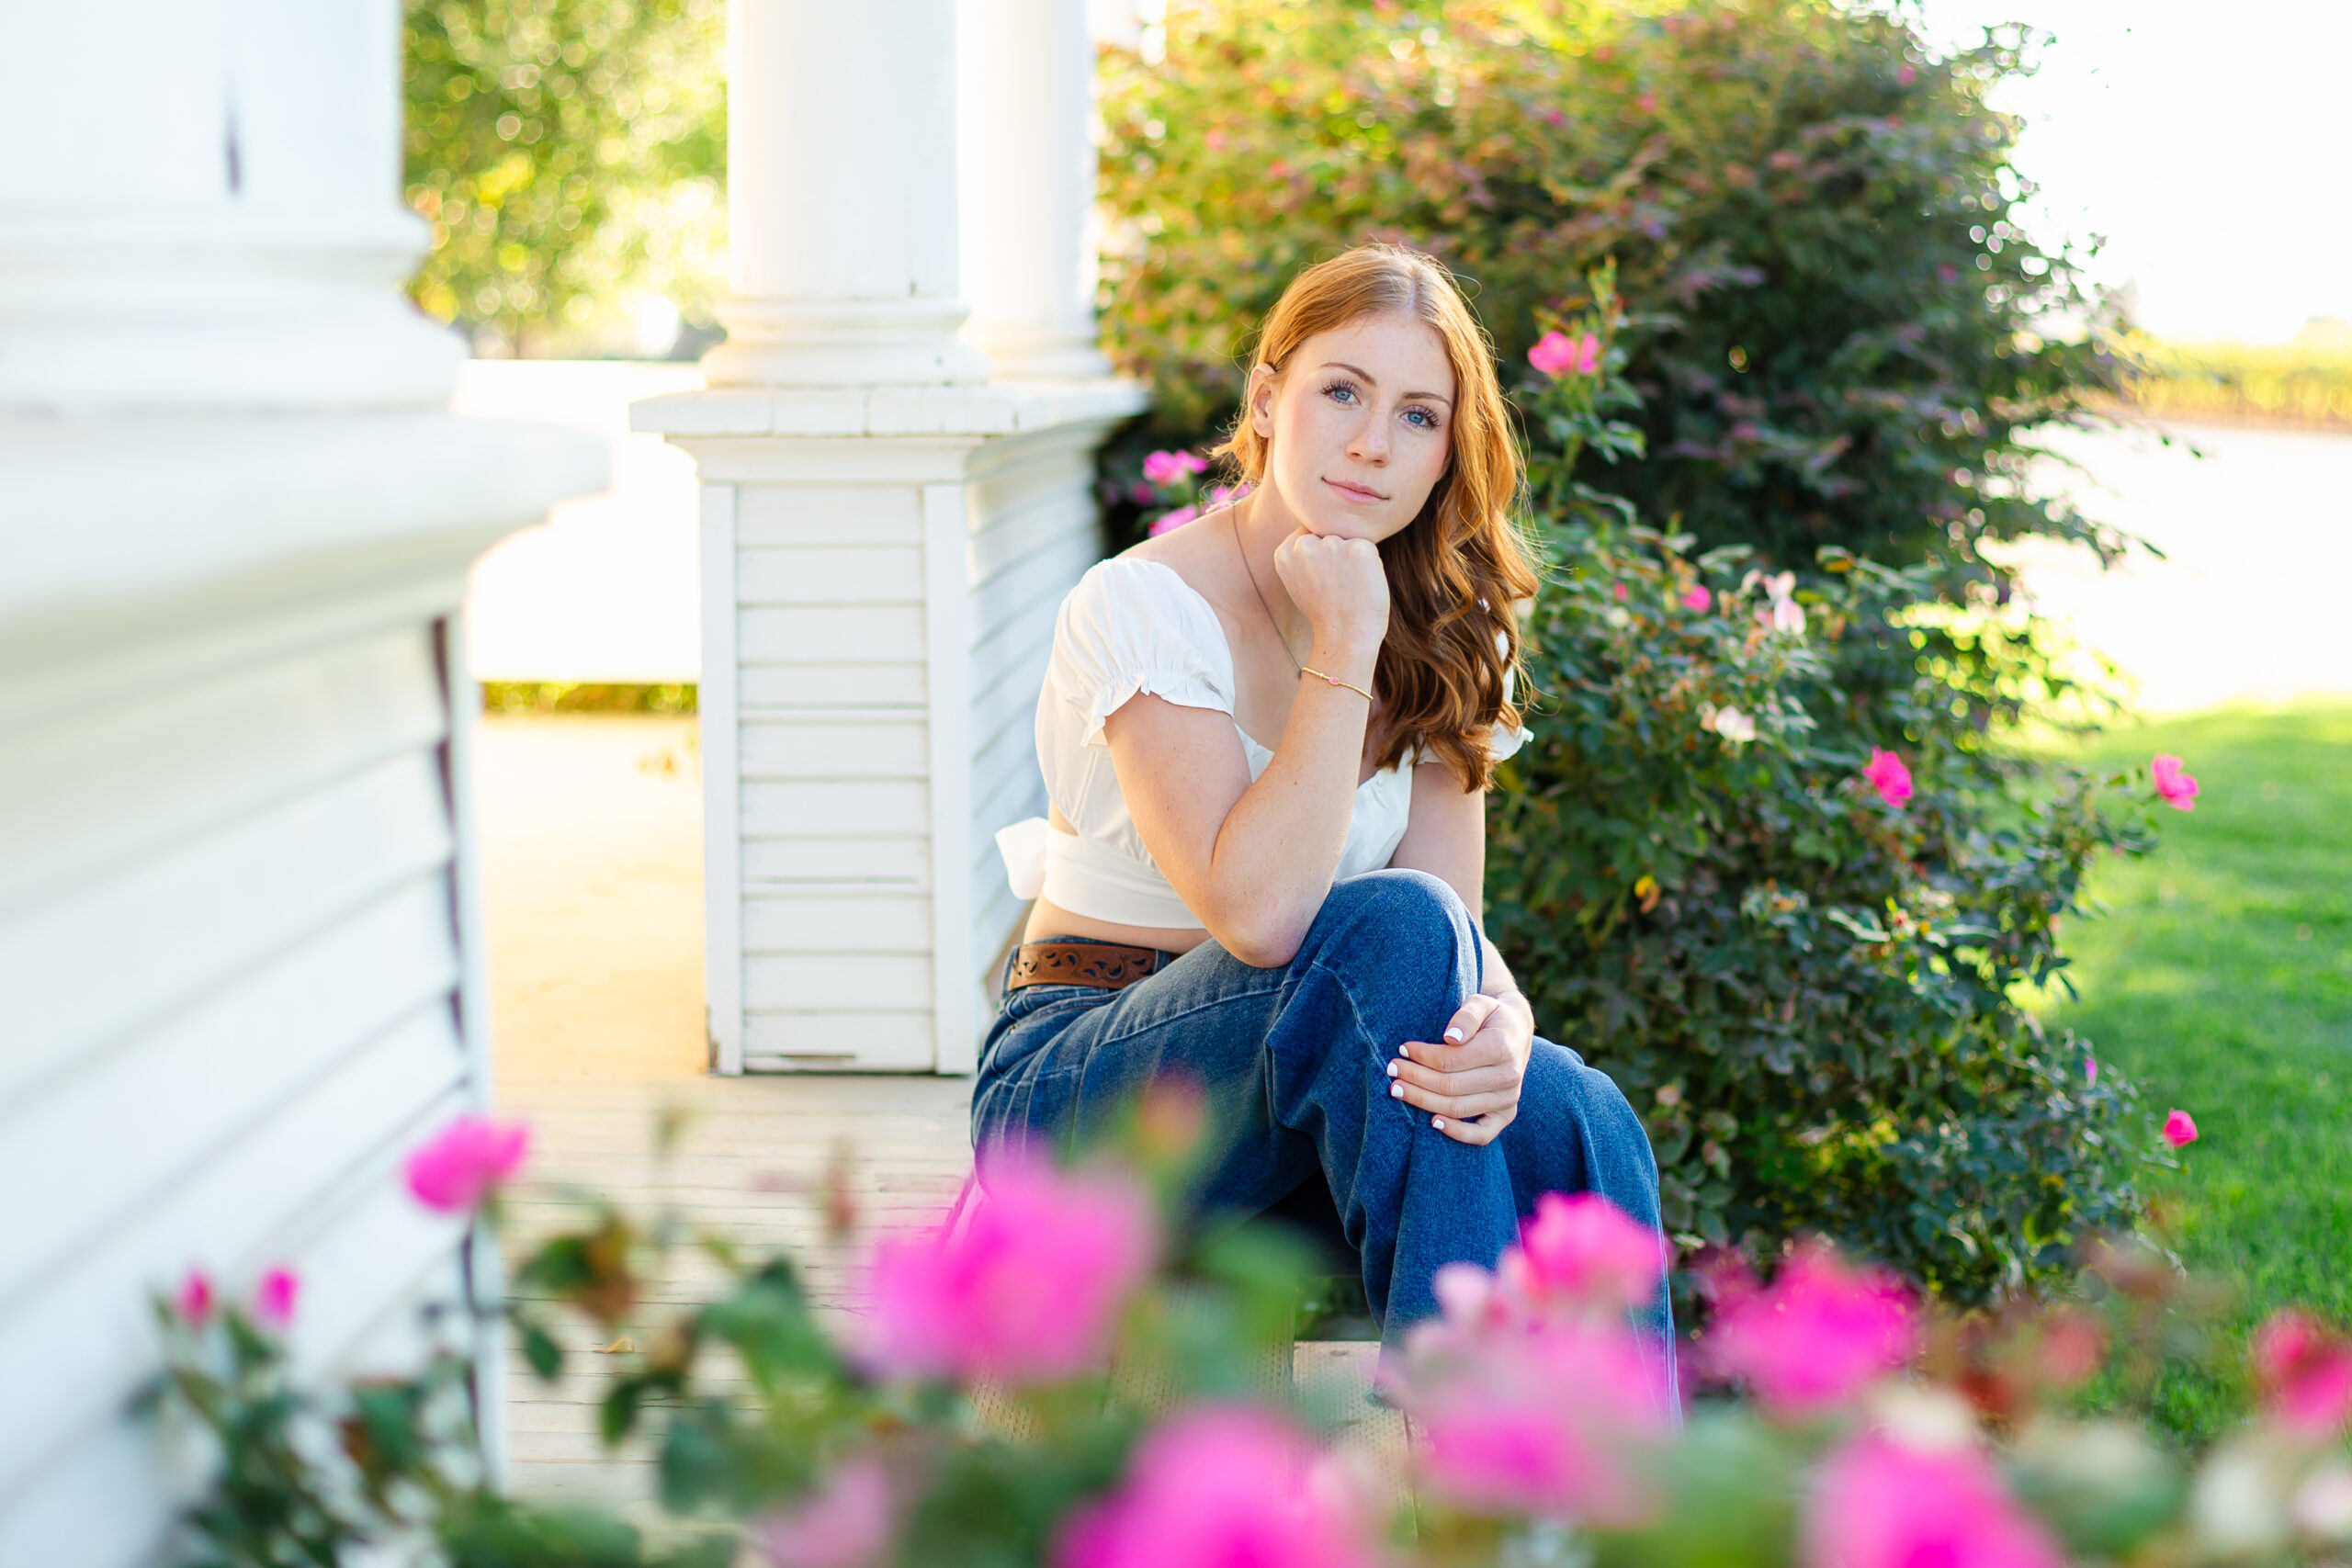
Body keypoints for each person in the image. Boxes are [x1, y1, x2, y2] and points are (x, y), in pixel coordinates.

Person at [978, 243, 1670, 1376]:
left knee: (1575, 1115)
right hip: (1086, 1102)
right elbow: (1259, 916)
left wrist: (1505, 1028)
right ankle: (1468, 1443)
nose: (1369, 442)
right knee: (1383, 927)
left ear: (1450, 448)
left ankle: (1618, 1521)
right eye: (1340, 391)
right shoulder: (1143, 607)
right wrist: (1345, 644)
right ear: (1267, 398)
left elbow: (1458, 933)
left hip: (1311, 1112)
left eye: (1417, 415)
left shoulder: (1454, 633)